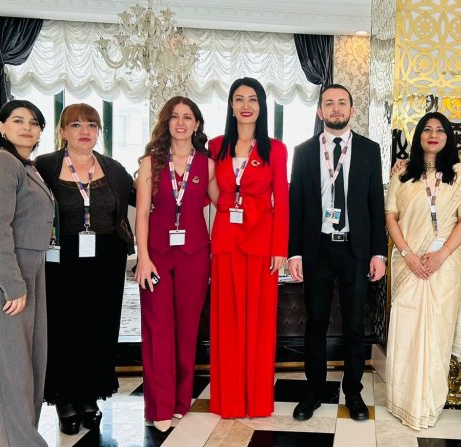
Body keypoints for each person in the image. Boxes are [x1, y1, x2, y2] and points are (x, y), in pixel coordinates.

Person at [288, 84, 387, 422]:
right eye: (329, 103)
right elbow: (296, 205)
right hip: (317, 248)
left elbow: (375, 204)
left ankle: (354, 393)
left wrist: (378, 253)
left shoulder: (369, 150)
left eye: (342, 102)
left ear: (351, 109)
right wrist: (294, 253)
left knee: (355, 325)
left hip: (355, 250)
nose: (335, 108)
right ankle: (314, 391)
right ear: (320, 111)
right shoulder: (303, 151)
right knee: (315, 323)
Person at [34, 103, 135, 435]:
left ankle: (91, 393)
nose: (84, 131)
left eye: (91, 125)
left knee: (99, 327)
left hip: (107, 257)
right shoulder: (44, 166)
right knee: (63, 327)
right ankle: (65, 397)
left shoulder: (113, 168)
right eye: (76, 124)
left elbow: (143, 198)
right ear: (62, 131)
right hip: (60, 258)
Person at [385, 112, 461, 430]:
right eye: (427, 129)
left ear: (448, 137)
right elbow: (391, 217)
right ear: (419, 136)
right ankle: (402, 401)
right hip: (408, 263)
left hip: (445, 265)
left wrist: (442, 254)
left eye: (440, 130)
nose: (433, 134)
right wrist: (407, 254)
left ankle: (428, 403)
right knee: (406, 332)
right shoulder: (402, 174)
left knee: (437, 335)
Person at [0, 99, 53, 446]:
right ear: (1, 127)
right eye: (18, 120)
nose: (27, 127)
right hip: (3, 270)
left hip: (28, 268)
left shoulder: (25, 167)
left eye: (34, 122)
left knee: (25, 366)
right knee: (12, 369)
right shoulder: (0, 162)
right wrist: (12, 284)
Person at [135, 96, 217, 432]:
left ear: (196, 124)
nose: (181, 122)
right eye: (175, 116)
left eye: (187, 117)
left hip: (195, 256)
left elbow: (226, 203)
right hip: (156, 255)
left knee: (187, 330)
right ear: (166, 122)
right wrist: (142, 258)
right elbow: (142, 213)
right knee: (158, 329)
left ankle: (181, 401)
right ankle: (160, 405)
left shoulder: (208, 164)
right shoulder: (151, 163)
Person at [208, 77, 289, 419]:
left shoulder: (276, 149)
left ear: (261, 106)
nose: (245, 105)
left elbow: (281, 200)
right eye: (239, 98)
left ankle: (256, 400)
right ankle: (228, 400)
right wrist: (228, 205)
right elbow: (211, 190)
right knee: (226, 322)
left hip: (262, 241)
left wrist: (280, 248)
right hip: (226, 239)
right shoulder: (216, 146)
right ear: (230, 105)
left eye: (252, 99)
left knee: (260, 323)